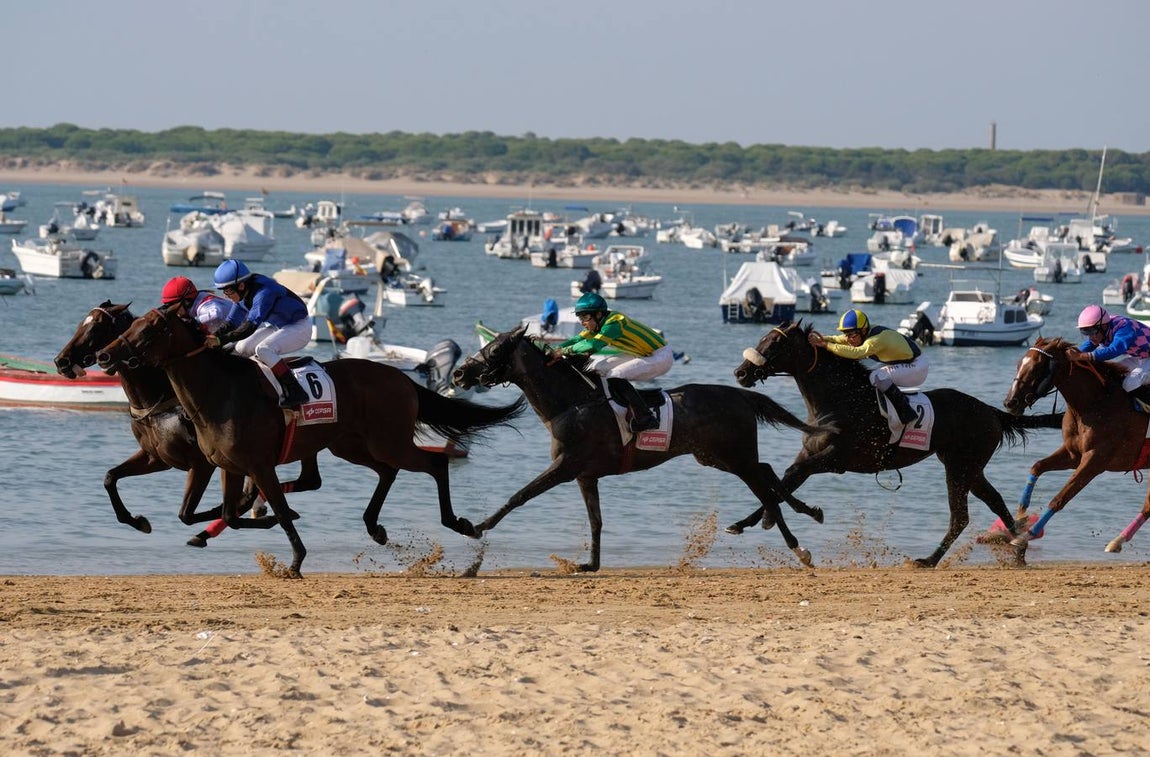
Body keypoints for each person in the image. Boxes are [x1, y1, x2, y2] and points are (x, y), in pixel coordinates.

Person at [555, 292, 674, 433]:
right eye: (580, 317)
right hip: (640, 353)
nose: (582, 322)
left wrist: (563, 351)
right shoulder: (597, 325)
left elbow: (593, 345)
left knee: (615, 375)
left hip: (660, 356)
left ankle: (645, 418)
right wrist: (552, 349)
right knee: (597, 368)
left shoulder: (615, 322)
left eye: (585, 317)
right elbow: (576, 340)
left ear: (598, 314)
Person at [210, 259, 311, 408]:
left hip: (300, 327)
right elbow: (231, 323)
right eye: (223, 291)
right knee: (241, 348)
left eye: (228, 291)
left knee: (263, 349)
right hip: (278, 325)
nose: (225, 296)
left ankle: (296, 390)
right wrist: (212, 337)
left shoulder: (264, 292)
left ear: (241, 285)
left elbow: (249, 327)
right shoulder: (244, 292)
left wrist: (220, 340)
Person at [808, 308, 927, 425]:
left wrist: (826, 345)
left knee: (877, 376)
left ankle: (906, 413)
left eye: (852, 335)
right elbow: (838, 339)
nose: (849, 339)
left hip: (916, 366)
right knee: (866, 375)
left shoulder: (875, 340)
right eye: (846, 334)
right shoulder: (861, 333)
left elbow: (857, 353)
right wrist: (823, 339)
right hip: (900, 363)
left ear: (863, 331)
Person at [1069, 305, 1150, 410]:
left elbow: (1114, 350)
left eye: (1091, 332)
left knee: (1130, 383)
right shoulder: (1103, 328)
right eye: (1086, 332)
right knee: (1111, 372)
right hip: (1141, 357)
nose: (1090, 337)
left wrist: (1080, 356)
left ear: (1103, 326)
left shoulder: (1124, 327)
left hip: (1144, 357)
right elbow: (1090, 345)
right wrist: (1071, 355)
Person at [160, 275, 239, 335]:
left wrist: (193, 322)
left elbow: (216, 314)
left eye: (172, 305)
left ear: (187, 301)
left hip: (246, 334)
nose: (172, 310)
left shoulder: (204, 305)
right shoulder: (195, 301)